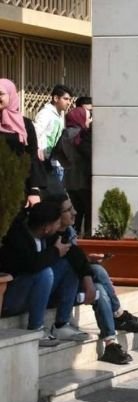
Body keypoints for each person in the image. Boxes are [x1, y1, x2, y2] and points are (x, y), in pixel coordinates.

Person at [48, 193, 138, 364]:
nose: (74, 213)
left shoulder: (69, 231)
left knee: (100, 288)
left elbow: (75, 258)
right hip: (55, 290)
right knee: (95, 271)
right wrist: (86, 272)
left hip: (72, 285)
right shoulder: (48, 234)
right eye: (68, 210)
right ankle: (118, 314)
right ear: (56, 216)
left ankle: (111, 343)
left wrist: (87, 260)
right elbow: (67, 262)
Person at [0, 202, 84, 346]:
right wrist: (56, 251)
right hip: (11, 299)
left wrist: (88, 274)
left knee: (68, 266)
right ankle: (36, 328)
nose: (59, 227)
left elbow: (73, 252)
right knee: (44, 273)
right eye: (57, 223)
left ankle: (61, 324)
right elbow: (32, 264)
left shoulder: (47, 236)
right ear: (46, 228)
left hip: (35, 294)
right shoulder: (18, 238)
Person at [0, 78, 46, 207]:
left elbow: (32, 156)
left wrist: (34, 190)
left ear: (11, 95)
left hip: (17, 187)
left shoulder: (25, 124)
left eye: (1, 94)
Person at [61, 106, 92, 235]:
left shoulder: (64, 134)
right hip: (82, 178)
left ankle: (73, 237)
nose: (89, 120)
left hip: (69, 179)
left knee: (76, 213)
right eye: (88, 117)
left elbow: (59, 155)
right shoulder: (81, 134)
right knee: (88, 211)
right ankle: (87, 238)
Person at [33, 84, 73, 186]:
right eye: (65, 99)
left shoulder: (59, 116)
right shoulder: (45, 114)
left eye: (69, 100)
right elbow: (35, 133)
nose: (68, 102)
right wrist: (37, 150)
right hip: (41, 161)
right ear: (56, 98)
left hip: (52, 161)